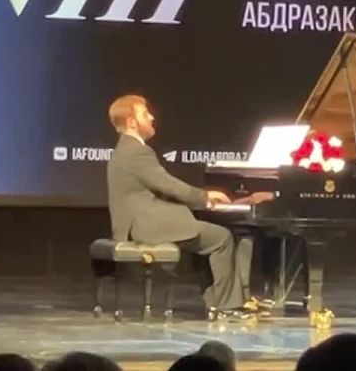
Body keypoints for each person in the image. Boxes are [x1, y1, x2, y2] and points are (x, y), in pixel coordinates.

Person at [106, 94, 265, 320]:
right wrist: (204, 197)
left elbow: (158, 188)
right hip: (147, 227)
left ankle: (216, 303)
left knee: (204, 237)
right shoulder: (136, 151)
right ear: (132, 122)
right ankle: (228, 306)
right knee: (221, 238)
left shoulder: (125, 149)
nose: (151, 117)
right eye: (145, 113)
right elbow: (167, 184)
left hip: (139, 225)